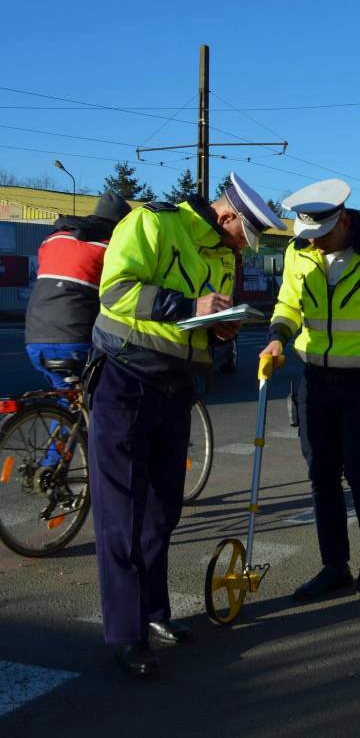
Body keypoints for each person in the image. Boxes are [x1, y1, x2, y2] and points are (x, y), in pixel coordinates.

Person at [90, 174, 283, 676]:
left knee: (162, 510)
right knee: (123, 515)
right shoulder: (153, 223)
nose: (244, 249)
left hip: (176, 391)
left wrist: (220, 330)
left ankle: (155, 615)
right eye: (245, 236)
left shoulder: (221, 255)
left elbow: (200, 330)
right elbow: (116, 291)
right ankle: (127, 635)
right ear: (226, 217)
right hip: (127, 380)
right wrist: (189, 308)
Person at [261, 179, 360, 603]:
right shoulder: (299, 253)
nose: (312, 244)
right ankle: (334, 566)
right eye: (306, 236)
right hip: (314, 379)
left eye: (320, 236)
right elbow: (288, 304)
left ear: (343, 222)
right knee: (321, 476)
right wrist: (278, 335)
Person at [26, 191, 131, 386]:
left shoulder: (53, 239)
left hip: (35, 339)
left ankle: (65, 416)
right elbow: (121, 295)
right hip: (77, 339)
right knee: (115, 390)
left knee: (69, 404)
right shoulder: (109, 248)